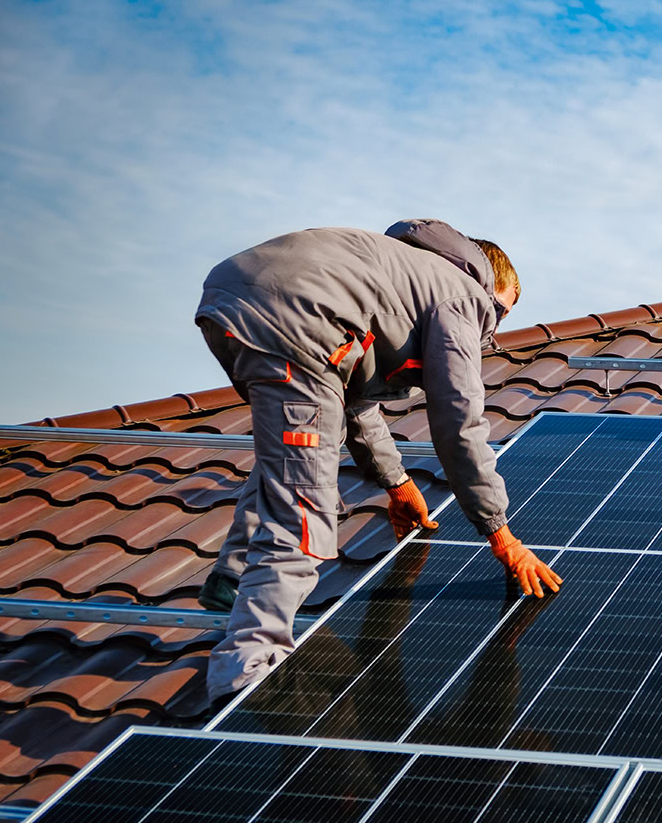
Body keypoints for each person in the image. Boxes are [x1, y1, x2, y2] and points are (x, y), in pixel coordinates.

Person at [193, 218, 561, 706]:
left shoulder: (394, 274)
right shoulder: (460, 295)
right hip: (299, 320)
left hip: (231, 303)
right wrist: (501, 533)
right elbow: (459, 420)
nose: (492, 327)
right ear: (489, 286)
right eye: (499, 313)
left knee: (294, 446)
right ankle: (244, 673)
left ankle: (234, 578)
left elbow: (351, 403)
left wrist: (397, 484)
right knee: (305, 503)